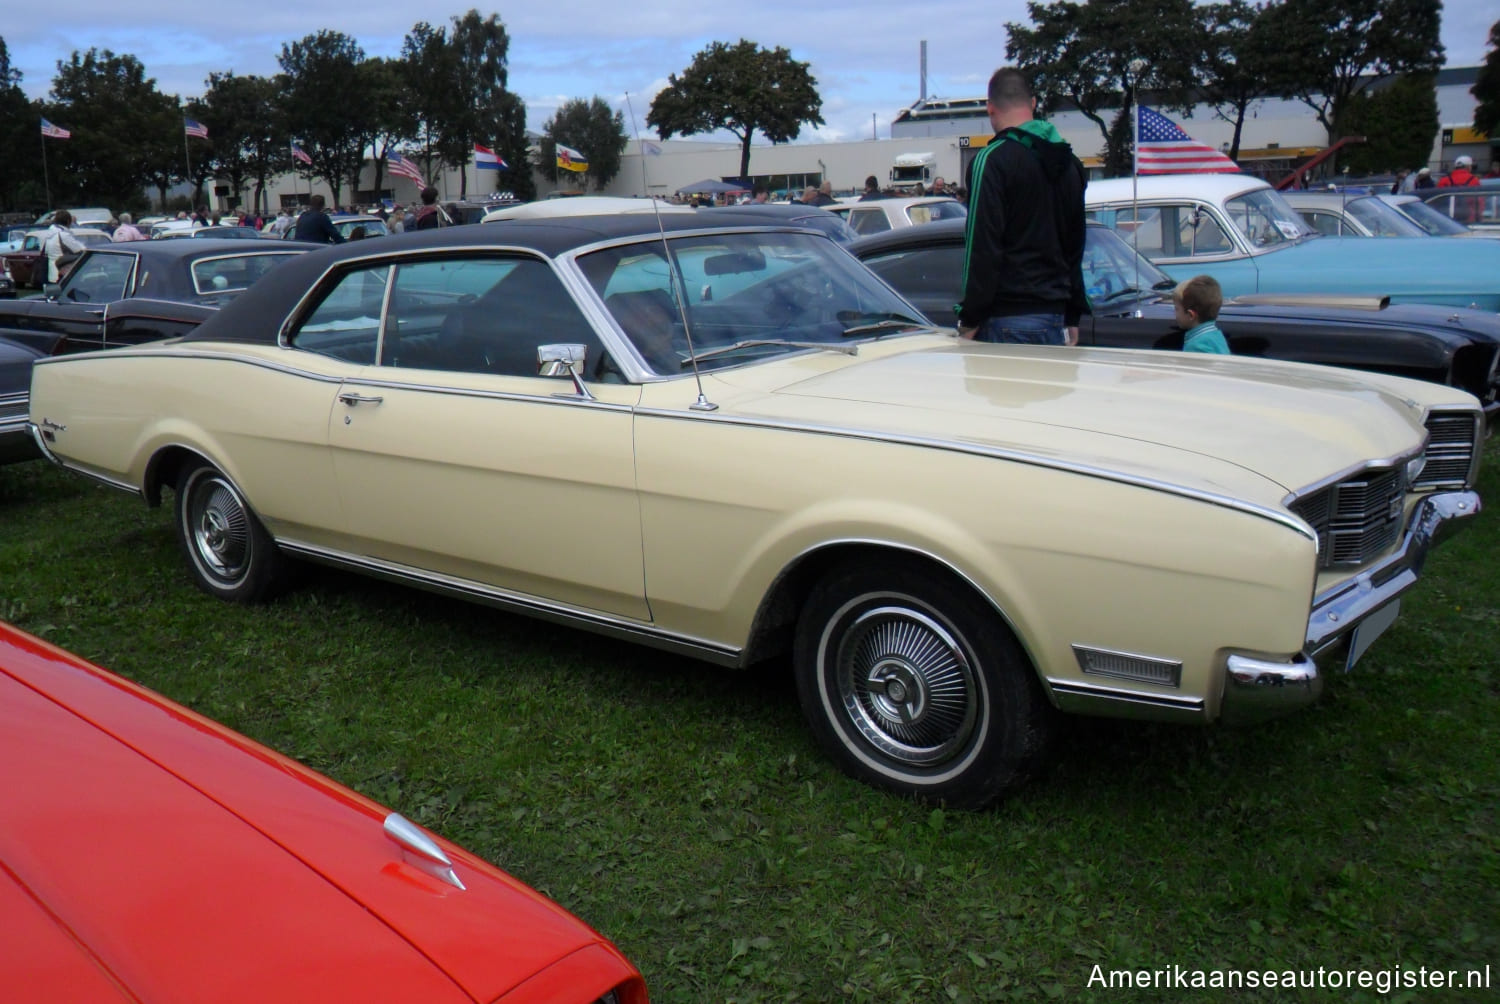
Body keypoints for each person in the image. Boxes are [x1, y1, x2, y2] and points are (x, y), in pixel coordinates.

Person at [956, 67, 1087, 347]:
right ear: (1033, 103)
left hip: (1007, 318)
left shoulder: (990, 161)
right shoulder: (1070, 163)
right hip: (1056, 317)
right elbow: (1076, 245)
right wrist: (1074, 313)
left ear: (990, 108)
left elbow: (982, 247)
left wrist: (969, 318)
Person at [1172, 275, 1230, 354]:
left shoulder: (1196, 346)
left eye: (1176, 309)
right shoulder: (1217, 335)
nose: (1174, 313)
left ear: (1191, 315)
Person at [40, 209, 85, 286]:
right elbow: (80, 249)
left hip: (52, 273)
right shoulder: (63, 235)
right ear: (68, 221)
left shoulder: (49, 234)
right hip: (63, 272)